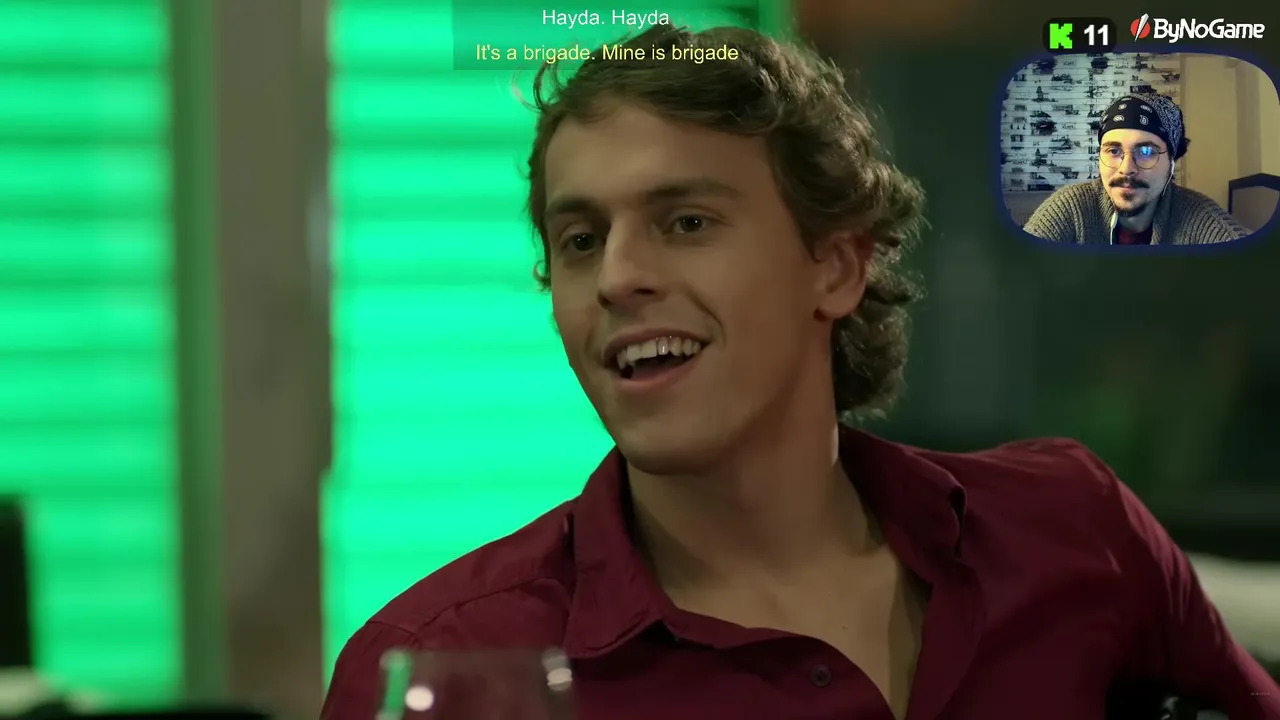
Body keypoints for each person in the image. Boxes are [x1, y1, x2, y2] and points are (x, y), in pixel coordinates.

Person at [322, 24, 1280, 719]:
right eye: (580, 239)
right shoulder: (451, 663)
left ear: (836, 265)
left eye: (685, 221)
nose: (616, 277)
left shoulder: (1073, 531)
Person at [1023, 92, 1249, 245]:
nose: (1126, 169)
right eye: (1113, 151)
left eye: (1147, 151)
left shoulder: (1201, 219)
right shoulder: (1071, 208)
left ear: (1171, 161)